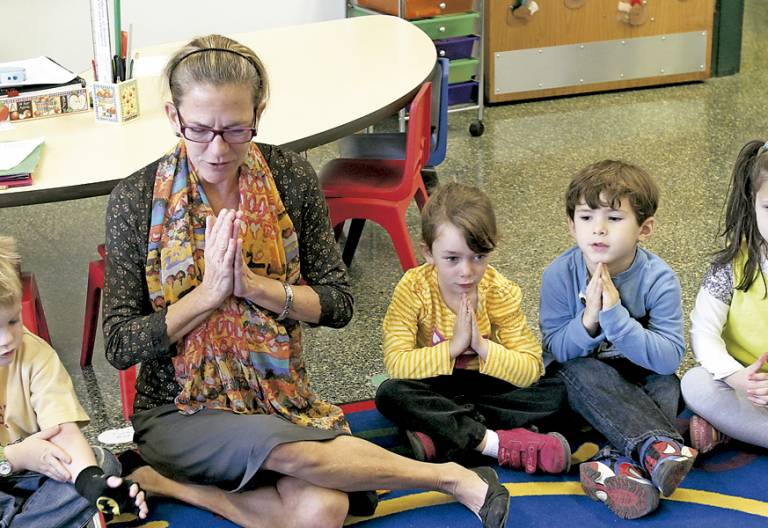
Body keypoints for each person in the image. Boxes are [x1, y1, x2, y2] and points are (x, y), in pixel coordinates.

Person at [102, 34, 509, 528]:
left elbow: (339, 304)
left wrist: (255, 287)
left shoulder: (289, 177)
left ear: (260, 112)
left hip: (276, 394)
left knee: (323, 510)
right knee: (290, 454)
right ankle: (449, 477)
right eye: (199, 129)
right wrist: (208, 295)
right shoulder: (136, 198)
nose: (216, 148)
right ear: (172, 117)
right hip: (177, 409)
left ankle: (170, 484)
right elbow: (121, 345)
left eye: (235, 130)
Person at [375, 183, 571, 474]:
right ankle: (495, 442)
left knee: (559, 390)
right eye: (452, 259)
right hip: (436, 384)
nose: (466, 271)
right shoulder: (414, 288)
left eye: (478, 257)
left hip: (483, 386)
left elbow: (531, 366)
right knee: (391, 393)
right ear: (428, 253)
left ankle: (443, 435)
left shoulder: (499, 291)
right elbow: (396, 364)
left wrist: (482, 346)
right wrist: (454, 347)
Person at [539, 160, 697, 519]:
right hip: (582, 381)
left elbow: (669, 358)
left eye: (613, 218)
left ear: (645, 228)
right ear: (570, 225)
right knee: (580, 371)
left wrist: (615, 316)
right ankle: (658, 446)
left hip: (639, 375)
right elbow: (555, 352)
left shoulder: (660, 279)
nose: (598, 230)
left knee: (667, 386)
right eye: (586, 218)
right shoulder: (559, 274)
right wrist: (591, 320)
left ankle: (613, 464)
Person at [0, 236, 147, 527]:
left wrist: (93, 484)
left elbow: (63, 432)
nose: (7, 340)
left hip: (30, 475)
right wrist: (13, 457)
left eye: (13, 321)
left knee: (100, 463)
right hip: (15, 464)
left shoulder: (34, 353)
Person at [681, 140, 768, 453]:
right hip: (744, 385)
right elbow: (704, 333)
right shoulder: (731, 266)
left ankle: (729, 430)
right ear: (752, 204)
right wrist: (737, 377)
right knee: (693, 383)